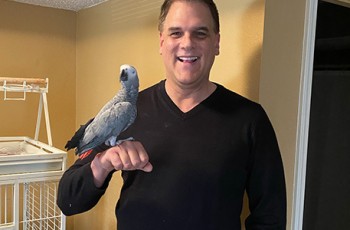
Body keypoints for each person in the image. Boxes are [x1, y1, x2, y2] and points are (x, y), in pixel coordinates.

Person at [57, 0, 287, 229]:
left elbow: (270, 217)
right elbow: (68, 201)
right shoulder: (126, 111)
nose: (187, 44)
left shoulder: (250, 119)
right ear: (162, 42)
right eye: (176, 33)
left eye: (200, 33)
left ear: (216, 43)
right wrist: (104, 163)